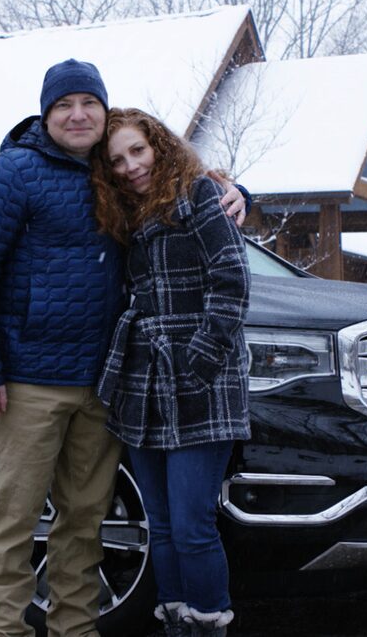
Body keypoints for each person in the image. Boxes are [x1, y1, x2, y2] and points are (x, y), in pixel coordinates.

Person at [0, 61, 246, 637]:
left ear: (105, 112)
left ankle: (76, 629)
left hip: (106, 386)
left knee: (84, 522)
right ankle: (4, 630)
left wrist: (233, 192)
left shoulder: (113, 175)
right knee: (13, 520)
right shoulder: (13, 173)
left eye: (89, 103)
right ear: (45, 114)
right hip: (29, 381)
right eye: (64, 105)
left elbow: (180, 203)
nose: (78, 114)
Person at [92, 108, 252, 637]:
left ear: (158, 145)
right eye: (117, 160)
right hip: (143, 383)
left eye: (137, 150)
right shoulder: (124, 212)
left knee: (191, 524)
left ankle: (207, 624)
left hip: (202, 380)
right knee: (159, 523)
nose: (130, 166)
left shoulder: (200, 194)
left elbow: (231, 279)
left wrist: (199, 359)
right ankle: (176, 620)